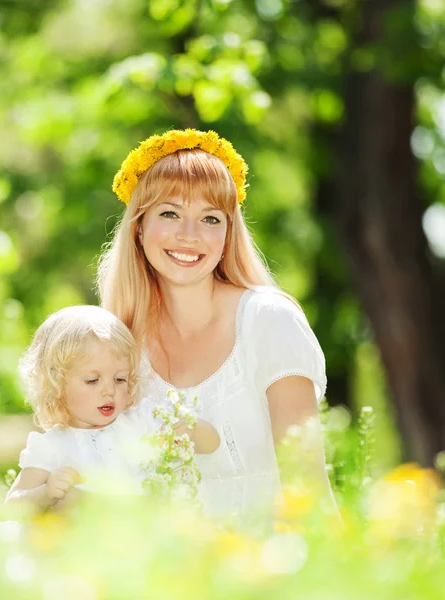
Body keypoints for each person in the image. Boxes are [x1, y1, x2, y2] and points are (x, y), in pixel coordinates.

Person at [97, 129, 337, 520]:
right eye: (170, 213)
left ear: (227, 235)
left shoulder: (268, 322)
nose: (189, 236)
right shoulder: (119, 345)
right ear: (139, 228)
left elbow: (307, 488)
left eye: (210, 218)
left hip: (271, 566)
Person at [6, 305, 220, 512]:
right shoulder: (52, 446)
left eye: (120, 379)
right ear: (56, 384)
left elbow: (212, 443)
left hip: (144, 530)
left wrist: (186, 431)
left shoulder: (141, 421)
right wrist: (46, 493)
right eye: (92, 380)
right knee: (73, 500)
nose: (109, 390)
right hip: (89, 541)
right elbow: (12, 506)